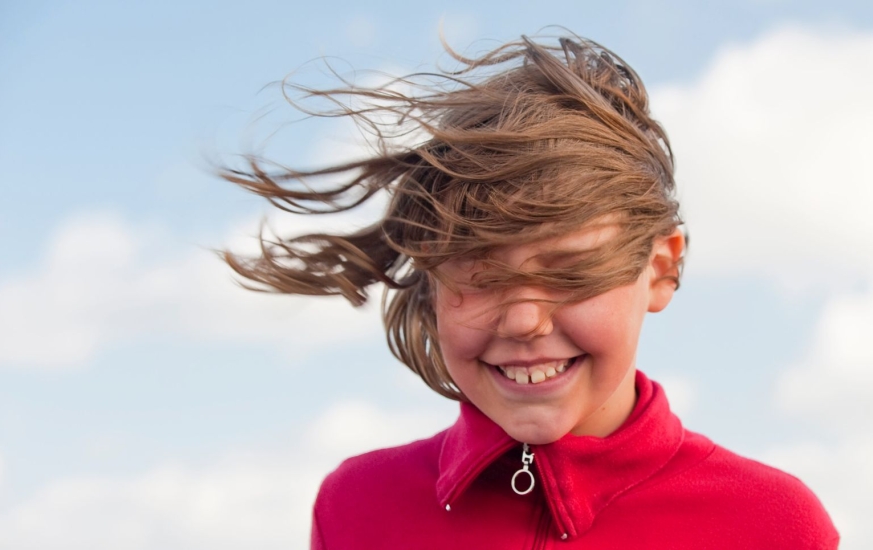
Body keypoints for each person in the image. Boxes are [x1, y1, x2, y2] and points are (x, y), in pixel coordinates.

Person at [221, 32, 839, 549]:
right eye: (479, 276)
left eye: (569, 272)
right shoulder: (358, 509)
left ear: (659, 268)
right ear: (431, 284)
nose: (522, 321)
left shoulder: (774, 526)